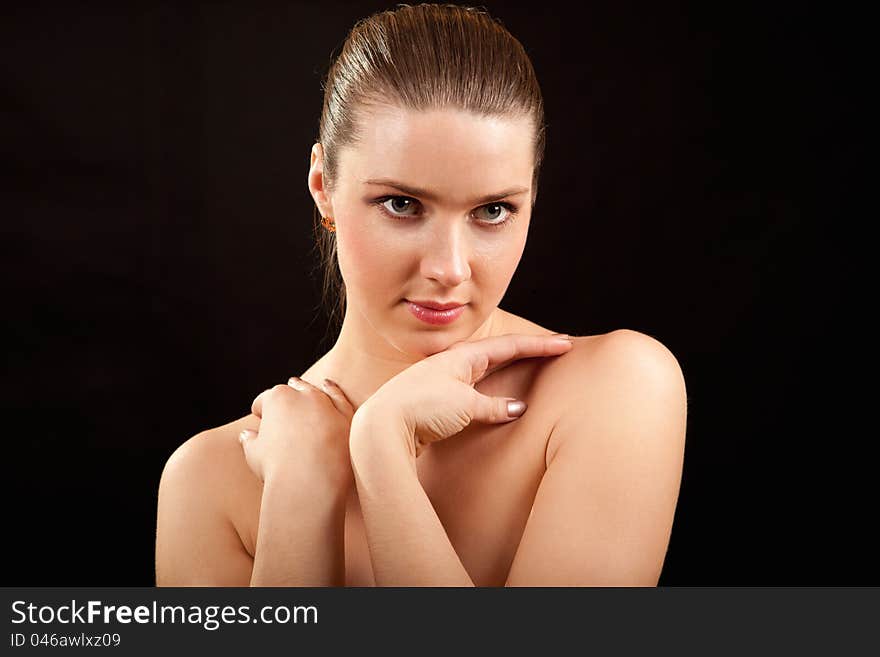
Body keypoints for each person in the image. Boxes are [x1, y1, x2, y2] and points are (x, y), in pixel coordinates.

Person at [155, 3, 687, 587]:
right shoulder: (209, 480)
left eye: (493, 211)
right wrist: (300, 503)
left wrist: (381, 451)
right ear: (322, 188)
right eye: (402, 204)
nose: (449, 268)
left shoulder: (615, 387)